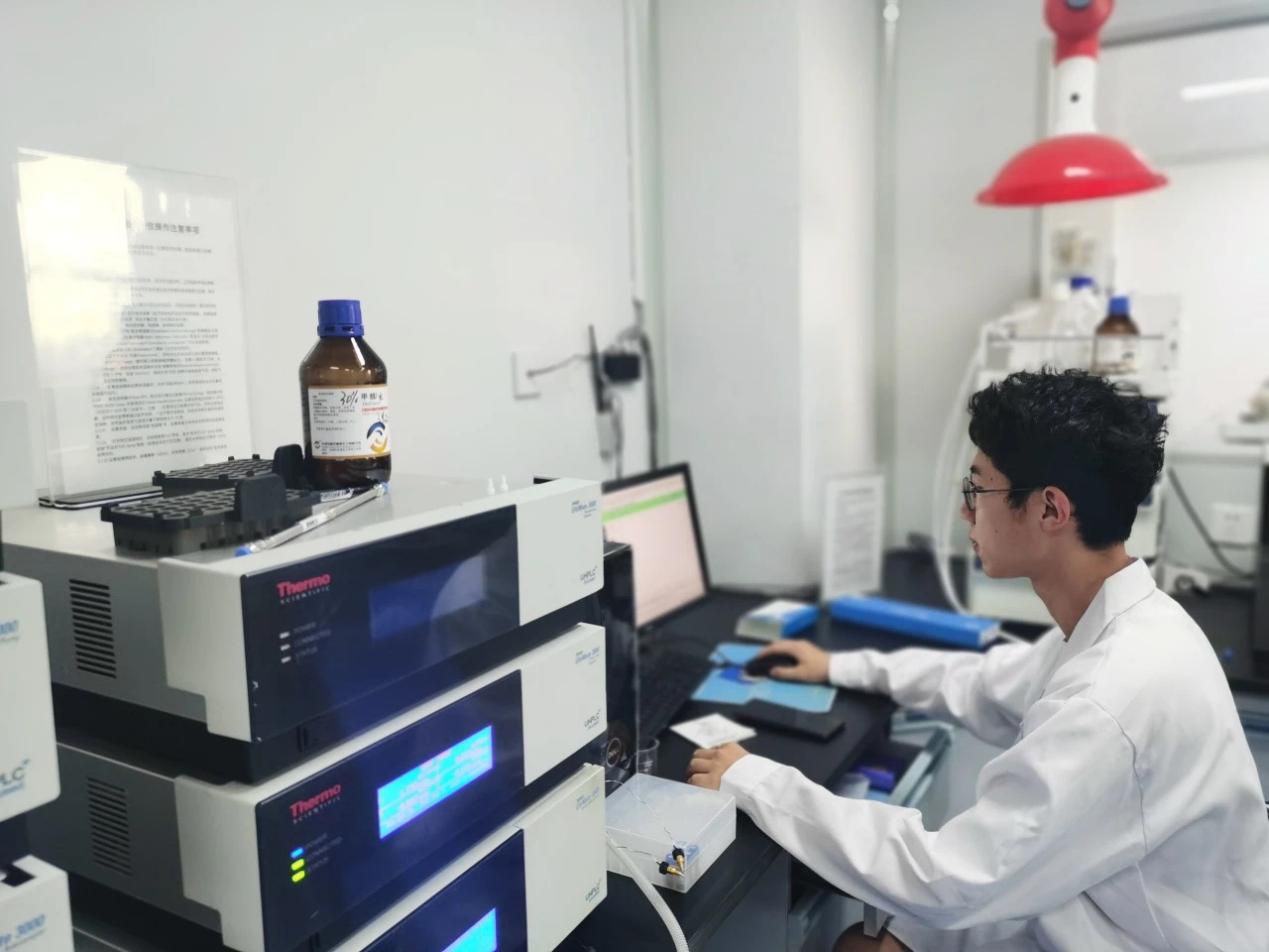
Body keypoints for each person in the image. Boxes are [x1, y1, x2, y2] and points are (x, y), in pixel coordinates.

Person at [687, 370, 1269, 951]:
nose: (966, 513)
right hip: (1097, 898)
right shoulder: (1125, 622)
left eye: (978, 489)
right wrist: (839, 667)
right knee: (875, 940)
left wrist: (756, 781)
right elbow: (984, 682)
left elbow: (949, 879)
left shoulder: (1109, 696)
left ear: (1049, 509)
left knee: (863, 944)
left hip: (1138, 936)